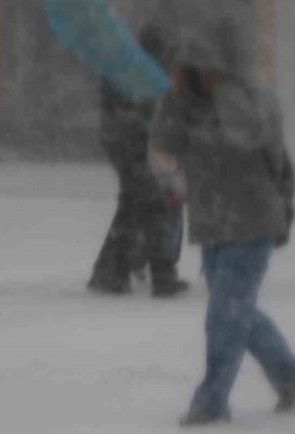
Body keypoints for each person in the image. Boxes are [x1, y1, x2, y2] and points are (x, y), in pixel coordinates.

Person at [149, 22, 295, 426]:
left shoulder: (250, 99)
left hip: (254, 218)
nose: (195, 72)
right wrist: (168, 175)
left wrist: (223, 91)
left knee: (225, 312)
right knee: (236, 311)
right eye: (188, 65)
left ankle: (211, 401)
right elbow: (163, 148)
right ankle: (289, 372)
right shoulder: (177, 101)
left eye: (202, 64)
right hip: (211, 220)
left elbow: (261, 144)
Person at [87, 25, 190, 297]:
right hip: (136, 146)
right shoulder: (143, 74)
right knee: (152, 204)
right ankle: (158, 274)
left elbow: (118, 112)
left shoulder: (125, 68)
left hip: (126, 145)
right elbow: (146, 112)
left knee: (136, 205)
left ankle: (113, 271)